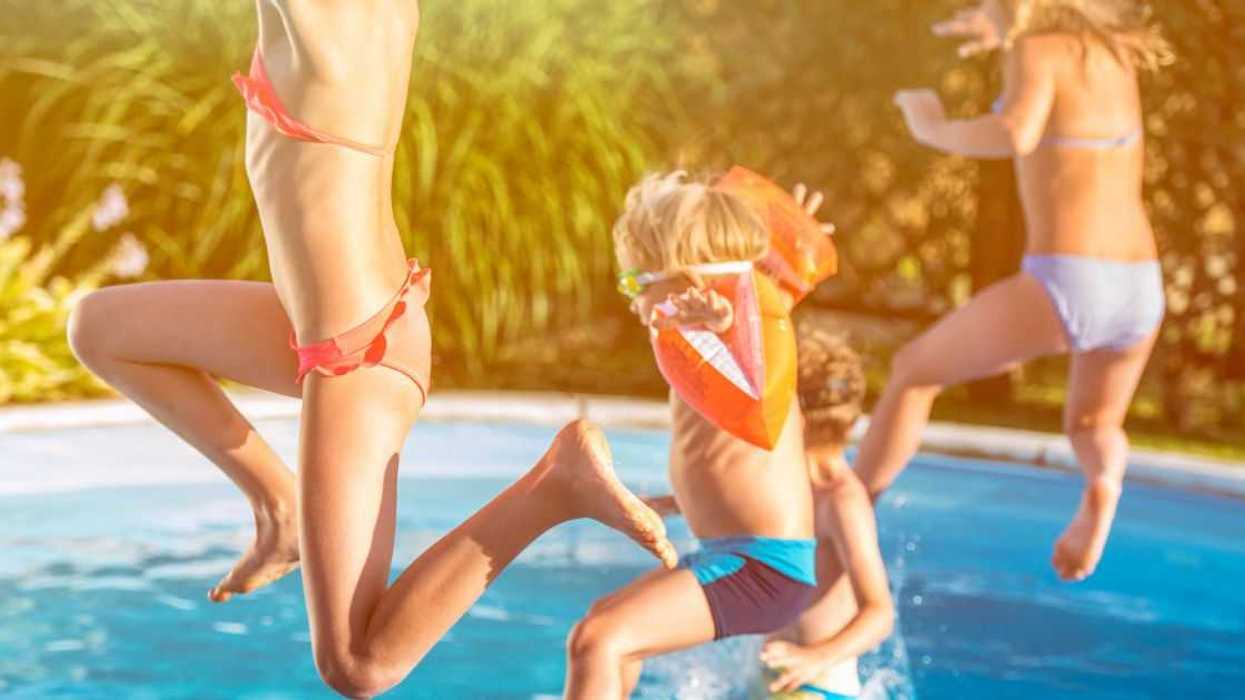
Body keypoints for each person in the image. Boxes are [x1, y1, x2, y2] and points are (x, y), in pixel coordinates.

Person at [66, 2, 674, 697]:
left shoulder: (332, 24)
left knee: (358, 664)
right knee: (101, 328)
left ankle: (555, 484)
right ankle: (279, 505)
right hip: (322, 319)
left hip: (359, 354)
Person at [877, 0, 1170, 581]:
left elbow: (1017, 131)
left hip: (1072, 277)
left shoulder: (1034, 49)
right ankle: (1103, 480)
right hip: (1141, 287)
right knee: (1093, 427)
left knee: (914, 372)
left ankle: (847, 516)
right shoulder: (1112, 53)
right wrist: (1004, 31)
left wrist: (931, 127)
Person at [562, 171, 833, 699]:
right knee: (603, 632)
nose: (632, 299)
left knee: (600, 639)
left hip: (764, 566)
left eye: (636, 282)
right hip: (735, 554)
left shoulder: (725, 333)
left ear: (691, 280)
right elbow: (723, 467)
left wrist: (720, 316)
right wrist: (666, 502)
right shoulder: (707, 361)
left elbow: (735, 313)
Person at [647, 327, 894, 698]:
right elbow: (737, 504)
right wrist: (668, 505)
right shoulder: (789, 482)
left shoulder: (842, 499)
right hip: (774, 680)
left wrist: (816, 657)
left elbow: (879, 612)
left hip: (818, 686)